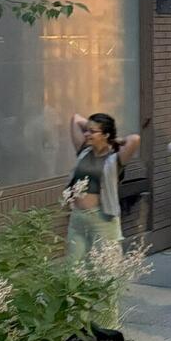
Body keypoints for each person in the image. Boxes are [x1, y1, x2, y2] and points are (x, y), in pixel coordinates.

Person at [66, 111, 141, 261]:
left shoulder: (115, 159)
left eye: (92, 131)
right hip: (78, 217)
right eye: (86, 130)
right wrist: (92, 128)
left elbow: (135, 139)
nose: (86, 134)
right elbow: (76, 119)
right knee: (73, 266)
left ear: (105, 135)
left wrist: (116, 139)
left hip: (102, 218)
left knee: (106, 267)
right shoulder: (84, 150)